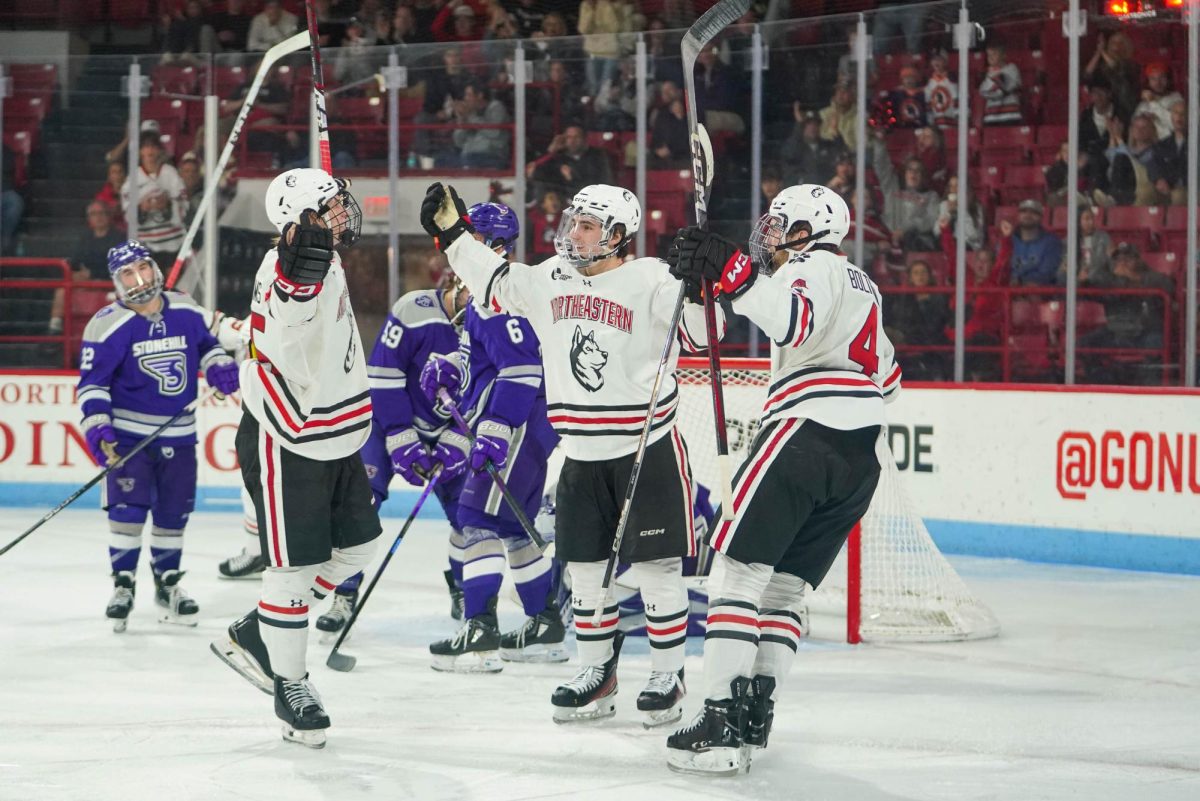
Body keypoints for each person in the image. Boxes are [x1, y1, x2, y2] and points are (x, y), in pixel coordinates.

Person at [421, 182, 723, 727]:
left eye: (587, 225)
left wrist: (703, 287)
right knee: (584, 572)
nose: (573, 233)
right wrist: (452, 235)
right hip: (580, 451)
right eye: (573, 221)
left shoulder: (654, 276)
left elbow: (707, 337)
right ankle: (596, 673)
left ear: (616, 235)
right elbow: (493, 280)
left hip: (643, 447)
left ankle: (667, 676)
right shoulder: (548, 279)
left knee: (655, 569)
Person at [661, 184, 900, 774]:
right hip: (860, 456)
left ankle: (717, 719)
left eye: (779, 224)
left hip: (804, 432)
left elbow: (791, 324)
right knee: (786, 591)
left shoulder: (814, 265)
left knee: (740, 578)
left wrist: (735, 273)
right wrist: (715, 285)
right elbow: (889, 379)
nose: (768, 234)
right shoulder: (862, 286)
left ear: (806, 231)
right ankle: (754, 711)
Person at [210, 168, 380, 749]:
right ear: (301, 222)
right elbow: (287, 313)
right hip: (289, 437)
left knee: (359, 547)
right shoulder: (289, 266)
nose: (342, 213)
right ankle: (292, 684)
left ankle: (262, 629)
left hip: (335, 431)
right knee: (292, 570)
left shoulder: (324, 256)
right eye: (329, 207)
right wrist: (295, 278)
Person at [420, 202, 565, 670]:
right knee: (512, 524)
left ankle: (479, 629)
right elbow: (481, 358)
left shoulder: (504, 293)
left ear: (487, 242)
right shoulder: (486, 292)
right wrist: (451, 368)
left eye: (468, 237)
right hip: (523, 424)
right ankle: (544, 625)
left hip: (520, 423)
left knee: (473, 519)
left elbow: (522, 367)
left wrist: (498, 428)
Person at [77, 240, 240, 633]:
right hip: (130, 438)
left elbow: (207, 346)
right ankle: (123, 584)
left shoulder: (184, 306)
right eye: (127, 274)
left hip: (180, 435)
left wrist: (218, 365)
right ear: (116, 281)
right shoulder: (105, 324)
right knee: (127, 512)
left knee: (173, 514)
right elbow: (92, 385)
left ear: (155, 268)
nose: (138, 279)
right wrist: (98, 426)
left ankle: (168, 585)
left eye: (143, 269)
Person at [121, 132, 187, 265]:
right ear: (140, 151)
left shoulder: (170, 173)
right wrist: (141, 208)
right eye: (146, 146)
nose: (149, 150)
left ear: (159, 150)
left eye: (153, 146)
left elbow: (184, 203)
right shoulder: (133, 177)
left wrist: (167, 204)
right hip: (146, 244)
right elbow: (127, 211)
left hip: (173, 242)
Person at [1008, 199, 1063, 286]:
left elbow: (1047, 274)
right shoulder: (1008, 240)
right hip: (1009, 292)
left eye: (1034, 212)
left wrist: (1021, 281)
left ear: (1041, 217)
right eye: (1023, 211)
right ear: (1018, 215)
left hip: (1040, 294)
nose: (1028, 215)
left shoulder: (1051, 242)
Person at [978, 44, 1022, 125]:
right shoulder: (988, 73)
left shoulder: (1012, 69)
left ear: (1003, 56)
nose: (990, 58)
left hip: (1010, 116)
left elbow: (1006, 87)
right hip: (991, 117)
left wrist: (993, 90)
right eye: (988, 55)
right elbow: (982, 92)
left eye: (994, 54)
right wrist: (995, 89)